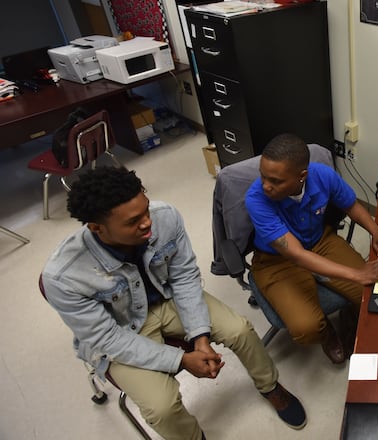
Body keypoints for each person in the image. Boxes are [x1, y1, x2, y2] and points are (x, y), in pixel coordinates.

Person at [41, 167, 306, 440]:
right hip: (122, 329)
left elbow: (183, 277)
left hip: (168, 298)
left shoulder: (164, 216)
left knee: (240, 330)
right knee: (162, 409)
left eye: (146, 209)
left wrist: (200, 337)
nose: (147, 222)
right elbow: (107, 338)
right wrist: (181, 360)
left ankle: (269, 386)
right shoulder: (63, 277)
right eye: (133, 221)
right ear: (97, 228)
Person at [246, 133, 378, 364]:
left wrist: (375, 230)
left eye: (276, 181)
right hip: (276, 260)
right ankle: (327, 333)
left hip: (320, 241)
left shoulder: (322, 175)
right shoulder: (256, 199)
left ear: (302, 176)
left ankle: (350, 317)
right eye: (263, 176)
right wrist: (357, 273)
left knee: (372, 292)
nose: (266, 186)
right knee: (306, 327)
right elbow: (297, 255)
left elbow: (350, 205)